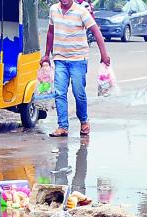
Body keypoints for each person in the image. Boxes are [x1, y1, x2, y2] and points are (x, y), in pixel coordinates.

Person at [42, 0, 111, 137]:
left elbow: (96, 31)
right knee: (60, 93)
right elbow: (51, 32)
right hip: (59, 58)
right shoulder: (54, 10)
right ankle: (63, 126)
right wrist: (46, 55)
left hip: (78, 60)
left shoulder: (81, 11)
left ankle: (84, 121)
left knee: (78, 92)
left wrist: (104, 54)